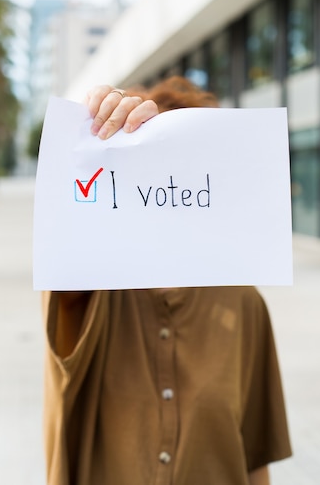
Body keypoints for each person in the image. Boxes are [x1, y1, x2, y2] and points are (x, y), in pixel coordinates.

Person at [42, 77, 292, 485]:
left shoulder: (243, 302)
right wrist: (99, 126)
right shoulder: (91, 289)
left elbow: (255, 456)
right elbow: (63, 260)